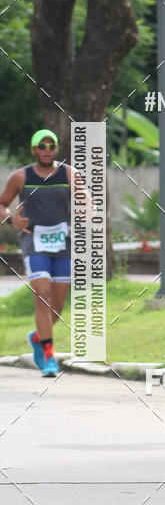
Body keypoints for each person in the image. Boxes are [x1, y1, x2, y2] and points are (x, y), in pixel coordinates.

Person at [0, 129, 74, 378]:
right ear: (34, 149)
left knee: (58, 304)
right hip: (34, 242)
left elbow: (86, 197)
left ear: (56, 149)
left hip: (63, 242)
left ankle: (38, 338)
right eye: (41, 145)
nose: (46, 149)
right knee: (42, 295)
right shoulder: (21, 176)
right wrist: (10, 220)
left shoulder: (68, 173)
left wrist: (88, 205)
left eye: (51, 145)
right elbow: (2, 204)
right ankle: (49, 357)